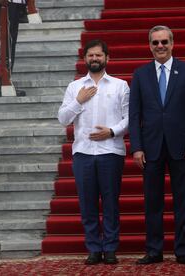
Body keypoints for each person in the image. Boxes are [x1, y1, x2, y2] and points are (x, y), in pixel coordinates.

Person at [129, 25, 185, 265]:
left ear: (172, 43)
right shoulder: (140, 74)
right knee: (153, 202)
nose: (160, 46)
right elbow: (134, 114)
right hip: (150, 148)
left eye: (164, 42)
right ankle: (154, 250)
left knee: (183, 201)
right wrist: (137, 147)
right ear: (149, 46)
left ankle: (182, 251)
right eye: (155, 43)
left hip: (182, 147)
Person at [58, 39, 129, 265]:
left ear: (107, 58)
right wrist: (78, 102)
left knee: (110, 202)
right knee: (87, 203)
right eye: (91, 55)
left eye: (99, 55)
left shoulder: (120, 85)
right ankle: (93, 248)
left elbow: (129, 119)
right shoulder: (75, 87)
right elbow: (63, 119)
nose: (95, 59)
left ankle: (109, 248)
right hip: (83, 153)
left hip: (111, 152)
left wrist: (111, 131)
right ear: (85, 58)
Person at [0, 0, 27, 96]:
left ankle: (6, 80)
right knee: (2, 36)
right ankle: (1, 81)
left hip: (15, 3)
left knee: (10, 39)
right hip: (4, 2)